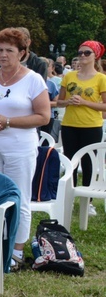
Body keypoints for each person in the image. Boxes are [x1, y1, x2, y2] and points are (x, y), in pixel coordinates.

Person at [0, 28, 49, 271]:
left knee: (19, 197)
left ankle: (17, 251)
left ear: (22, 53)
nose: (3, 55)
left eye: (9, 50)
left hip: (20, 148)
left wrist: (8, 122)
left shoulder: (33, 79)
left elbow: (43, 116)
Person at [56, 41, 106, 216]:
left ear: (96, 56)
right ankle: (68, 198)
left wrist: (84, 102)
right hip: (69, 124)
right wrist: (67, 102)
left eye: (87, 53)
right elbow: (58, 101)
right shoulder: (69, 76)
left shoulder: (101, 78)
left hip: (91, 126)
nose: (82, 56)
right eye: (80, 52)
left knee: (88, 164)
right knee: (69, 163)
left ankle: (88, 202)